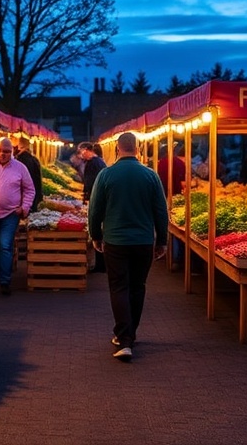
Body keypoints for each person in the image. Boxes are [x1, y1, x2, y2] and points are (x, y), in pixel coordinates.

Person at [87, 132, 168, 363]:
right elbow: (161, 211)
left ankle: (124, 339)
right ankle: (130, 334)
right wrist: (162, 240)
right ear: (137, 148)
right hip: (143, 241)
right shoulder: (150, 176)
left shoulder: (106, 175)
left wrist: (96, 235)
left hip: (115, 241)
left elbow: (95, 210)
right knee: (138, 287)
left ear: (117, 149)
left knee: (119, 287)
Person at [0, 137, 36, 295]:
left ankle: (4, 281)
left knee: (5, 245)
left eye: (8, 152)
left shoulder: (20, 167)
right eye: (2, 151)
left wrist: (24, 207)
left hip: (10, 214)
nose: (4, 154)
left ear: (12, 152)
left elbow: (30, 189)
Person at [15, 137, 44, 212]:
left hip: (23, 198)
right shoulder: (34, 159)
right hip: (34, 195)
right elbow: (38, 180)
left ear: (19, 145)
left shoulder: (19, 160)